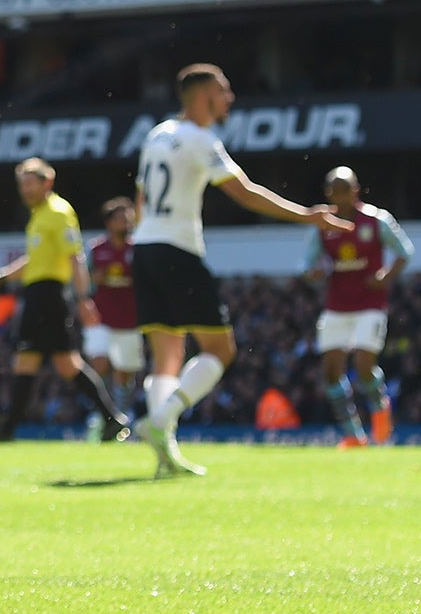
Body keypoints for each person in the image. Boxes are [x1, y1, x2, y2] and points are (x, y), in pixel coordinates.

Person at [131, 64, 351, 477]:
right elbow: (245, 194)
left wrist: (144, 237)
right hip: (178, 250)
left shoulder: (156, 133)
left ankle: (164, 454)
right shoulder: (200, 140)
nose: (229, 98)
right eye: (223, 91)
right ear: (202, 96)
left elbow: (140, 196)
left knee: (166, 357)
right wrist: (308, 216)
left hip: (144, 249)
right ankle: (164, 418)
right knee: (220, 350)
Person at [0, 159, 131, 443]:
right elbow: (35, 260)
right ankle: (111, 419)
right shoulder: (40, 215)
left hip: (48, 295)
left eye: (30, 183)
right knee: (65, 364)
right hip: (41, 293)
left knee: (29, 361)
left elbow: (75, 256)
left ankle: (7, 429)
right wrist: (3, 277)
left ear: (48, 182)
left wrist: (83, 298)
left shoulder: (58, 212)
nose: (25, 190)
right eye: (22, 184)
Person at [302, 166, 413, 448]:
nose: (341, 196)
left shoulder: (377, 220)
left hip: (370, 304)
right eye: (335, 191)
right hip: (336, 305)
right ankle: (353, 434)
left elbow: (404, 251)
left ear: (356, 190)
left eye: (346, 190)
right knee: (330, 371)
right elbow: (308, 264)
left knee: (364, 364)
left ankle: (380, 415)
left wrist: (386, 276)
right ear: (329, 194)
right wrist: (313, 273)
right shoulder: (323, 224)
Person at [82, 197, 145, 410]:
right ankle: (100, 414)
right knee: (98, 365)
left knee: (124, 373)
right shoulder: (96, 249)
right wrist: (94, 280)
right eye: (120, 219)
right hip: (101, 317)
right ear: (109, 223)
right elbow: (84, 279)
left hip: (130, 318)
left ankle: (121, 414)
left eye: (128, 219)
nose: (125, 223)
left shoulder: (139, 249)